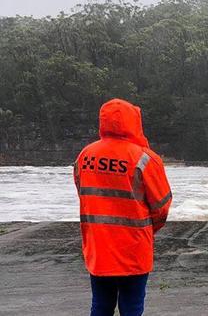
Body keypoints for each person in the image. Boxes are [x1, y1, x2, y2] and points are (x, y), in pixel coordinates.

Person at [73, 98, 172, 316]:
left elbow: (84, 192)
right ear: (134, 122)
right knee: (132, 307)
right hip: (134, 249)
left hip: (99, 247)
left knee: (100, 304)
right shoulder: (145, 159)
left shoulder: (85, 156)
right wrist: (146, 228)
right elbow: (162, 206)